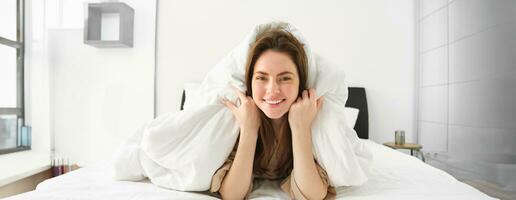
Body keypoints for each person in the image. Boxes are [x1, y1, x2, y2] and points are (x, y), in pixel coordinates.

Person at [212, 26, 336, 200]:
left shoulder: (312, 115)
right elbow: (232, 195)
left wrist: (300, 128)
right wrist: (249, 129)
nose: (272, 90)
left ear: (300, 83)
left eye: (285, 78)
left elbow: (313, 196)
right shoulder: (240, 114)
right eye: (262, 78)